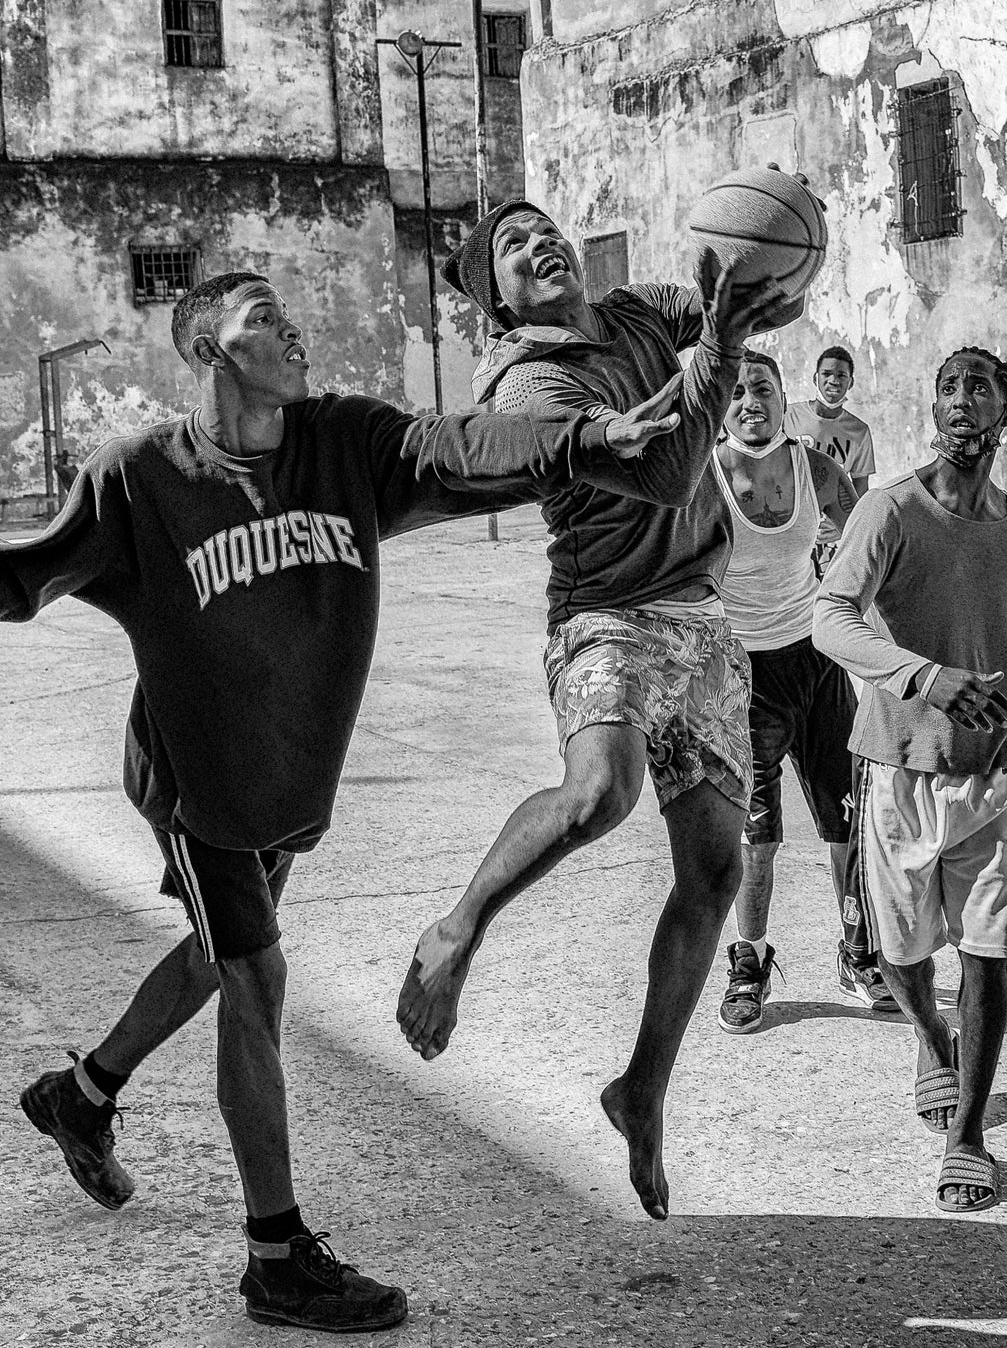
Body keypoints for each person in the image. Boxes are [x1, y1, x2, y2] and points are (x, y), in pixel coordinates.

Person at [6, 270, 721, 1334]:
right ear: (209, 350)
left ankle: (86, 1090)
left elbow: (462, 443)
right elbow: (24, 577)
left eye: (288, 316)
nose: (292, 331)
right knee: (255, 971)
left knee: (217, 950)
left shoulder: (341, 442)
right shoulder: (139, 477)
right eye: (264, 321)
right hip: (197, 776)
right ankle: (276, 1254)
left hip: (280, 777)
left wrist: (587, 441)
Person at [397, 198, 791, 1222]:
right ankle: (457, 924)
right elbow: (662, 468)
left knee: (715, 867)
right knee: (597, 792)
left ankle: (642, 1086)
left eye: (543, 227)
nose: (540, 242)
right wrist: (721, 340)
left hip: (701, 620)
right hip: (605, 616)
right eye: (513, 246)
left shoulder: (634, 311)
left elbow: (737, 313)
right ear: (501, 298)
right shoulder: (526, 380)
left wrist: (758, 283)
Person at [813, 345, 1007, 1213]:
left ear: (1003, 413)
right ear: (934, 406)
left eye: (978, 386)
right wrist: (926, 676)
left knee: (986, 951)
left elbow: (1005, 631)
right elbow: (829, 620)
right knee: (903, 958)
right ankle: (930, 1033)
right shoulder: (890, 510)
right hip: (898, 771)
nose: (960, 400)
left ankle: (970, 1135)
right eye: (947, 386)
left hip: (996, 776)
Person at [710, 348, 896, 1034]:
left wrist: (890, 650)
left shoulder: (816, 469)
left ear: (782, 398)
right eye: (734, 391)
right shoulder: (706, 479)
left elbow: (871, 545)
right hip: (745, 679)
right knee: (756, 837)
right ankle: (749, 960)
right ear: (721, 405)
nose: (749, 400)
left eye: (760, 387)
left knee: (846, 822)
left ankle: (856, 949)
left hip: (816, 664)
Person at [784, 345, 876, 496]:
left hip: (831, 515)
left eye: (841, 375)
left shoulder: (859, 431)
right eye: (826, 374)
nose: (833, 380)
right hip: (793, 508)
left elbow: (860, 488)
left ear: (851, 382)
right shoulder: (787, 415)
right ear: (815, 378)